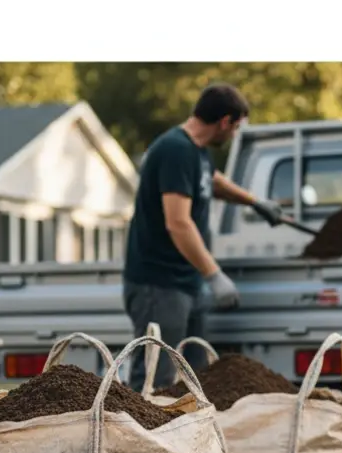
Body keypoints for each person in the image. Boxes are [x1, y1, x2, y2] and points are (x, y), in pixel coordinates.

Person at [122, 82, 285, 391]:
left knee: (196, 376)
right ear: (224, 122)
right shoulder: (174, 150)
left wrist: (254, 202)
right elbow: (178, 223)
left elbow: (212, 181)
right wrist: (214, 275)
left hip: (185, 282)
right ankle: (139, 438)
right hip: (158, 285)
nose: (234, 134)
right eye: (236, 127)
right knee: (155, 379)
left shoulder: (196, 152)